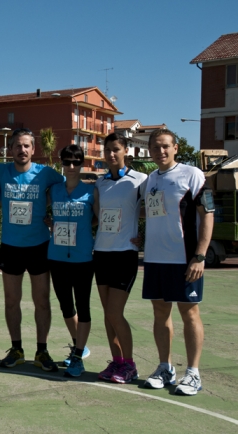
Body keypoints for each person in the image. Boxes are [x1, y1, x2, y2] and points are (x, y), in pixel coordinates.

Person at [141, 129, 214, 396]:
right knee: (160, 313)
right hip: (155, 259)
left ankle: (193, 373)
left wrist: (200, 255)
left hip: (184, 260)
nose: (160, 151)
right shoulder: (150, 180)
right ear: (149, 150)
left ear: (175, 148)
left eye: (165, 147)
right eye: (155, 147)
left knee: (189, 313)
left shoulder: (192, 174)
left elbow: (207, 214)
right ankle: (165, 367)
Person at [0, 129, 65, 372]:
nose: (22, 150)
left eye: (26, 146)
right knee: (12, 301)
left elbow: (67, 190)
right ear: (10, 149)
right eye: (17, 146)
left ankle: (42, 351)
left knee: (41, 301)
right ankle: (16, 349)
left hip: (39, 246)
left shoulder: (46, 174)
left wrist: (54, 213)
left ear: (34, 149)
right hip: (11, 246)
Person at [94, 133, 147, 384]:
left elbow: (157, 209)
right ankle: (116, 362)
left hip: (125, 254)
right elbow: (95, 216)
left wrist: (145, 237)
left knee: (116, 312)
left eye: (116, 149)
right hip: (101, 253)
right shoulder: (100, 183)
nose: (111, 154)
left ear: (126, 151)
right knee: (107, 314)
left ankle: (130, 365)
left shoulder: (140, 180)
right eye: (107, 150)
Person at [47, 145, 97, 377]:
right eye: (67, 162)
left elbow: (99, 218)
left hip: (83, 258)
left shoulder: (91, 192)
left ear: (82, 163)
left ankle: (77, 357)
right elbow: (44, 213)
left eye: (76, 162)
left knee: (83, 306)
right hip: (56, 257)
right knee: (66, 306)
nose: (71, 167)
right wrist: (51, 224)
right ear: (62, 164)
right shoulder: (54, 190)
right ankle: (80, 345)